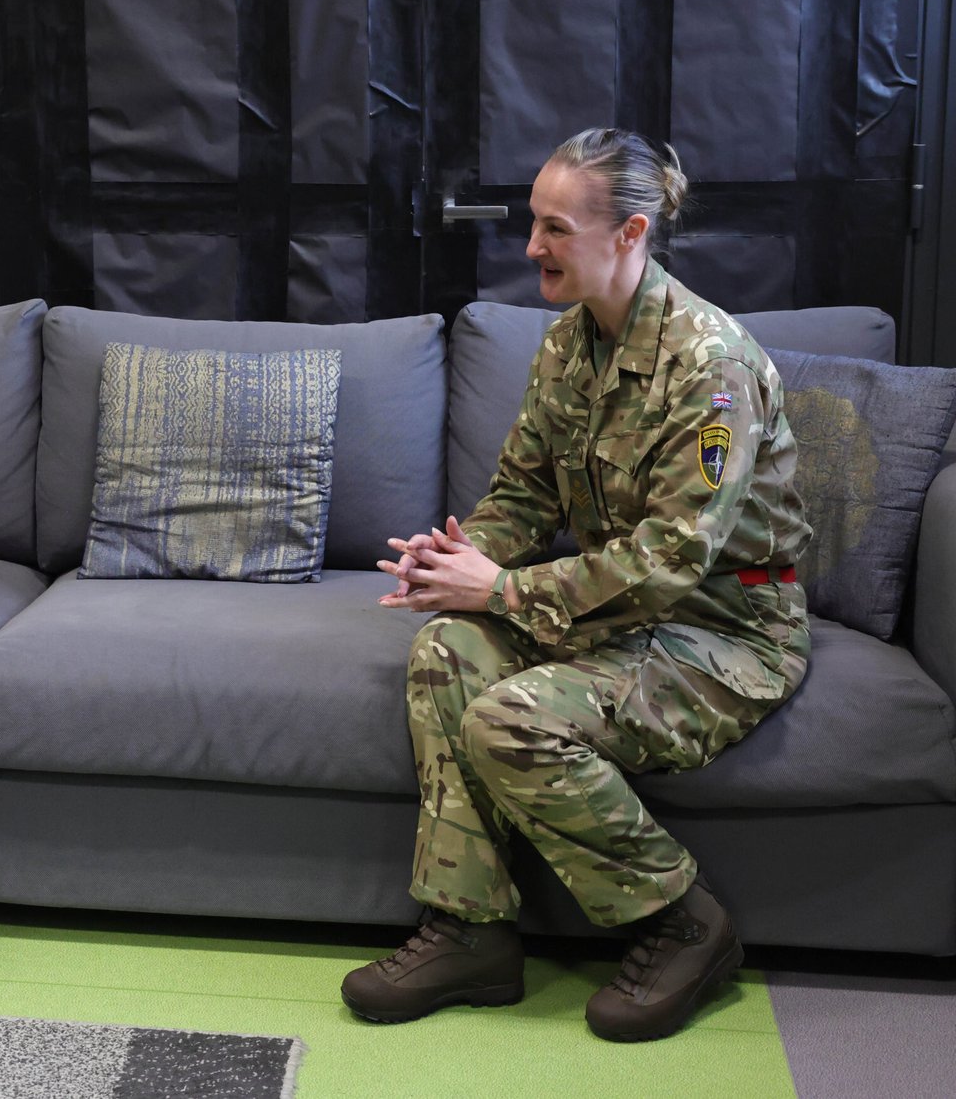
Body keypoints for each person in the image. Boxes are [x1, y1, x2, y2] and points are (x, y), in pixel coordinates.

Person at [340, 128, 810, 1041]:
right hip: (611, 618)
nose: (531, 248)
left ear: (629, 233)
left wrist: (503, 593)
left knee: (510, 717)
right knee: (446, 651)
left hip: (722, 633)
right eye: (533, 222)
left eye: (555, 228)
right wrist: (458, 556)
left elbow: (674, 561)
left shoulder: (711, 369)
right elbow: (522, 492)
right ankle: (472, 931)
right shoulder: (568, 345)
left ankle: (684, 921)